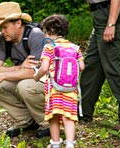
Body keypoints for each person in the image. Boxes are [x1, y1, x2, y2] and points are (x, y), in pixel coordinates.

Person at [0, 2, 50, 138]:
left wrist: (3, 75)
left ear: (18, 23)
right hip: (26, 78)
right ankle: (26, 121)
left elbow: (35, 72)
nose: (2, 31)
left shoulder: (36, 35)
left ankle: (49, 122)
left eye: (5, 27)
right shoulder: (2, 38)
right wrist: (19, 67)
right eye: (1, 27)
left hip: (48, 81)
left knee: (24, 86)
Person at [80, 0, 120, 130]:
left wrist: (111, 23)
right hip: (100, 15)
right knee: (92, 65)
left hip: (113, 14)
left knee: (116, 67)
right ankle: (83, 112)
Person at [34, 14, 85, 148]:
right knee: (69, 117)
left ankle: (55, 143)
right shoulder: (75, 48)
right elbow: (82, 67)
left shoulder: (49, 47)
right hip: (71, 89)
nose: (44, 35)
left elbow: (44, 68)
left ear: (50, 31)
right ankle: (69, 144)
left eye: (44, 32)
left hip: (54, 89)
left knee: (54, 116)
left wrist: (37, 77)